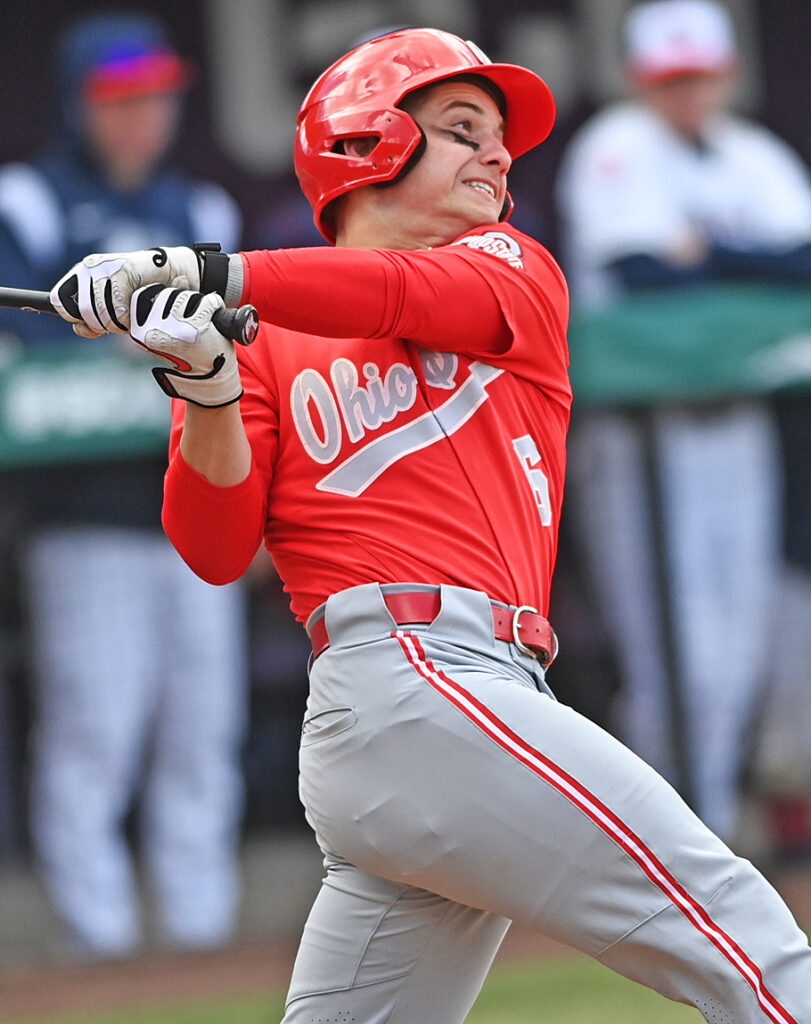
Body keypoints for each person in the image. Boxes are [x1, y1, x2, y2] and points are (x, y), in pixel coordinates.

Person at [50, 26, 811, 1022]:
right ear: (367, 145)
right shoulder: (263, 338)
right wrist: (204, 388)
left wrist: (209, 271)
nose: (497, 154)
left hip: (468, 694)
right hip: (405, 682)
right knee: (745, 940)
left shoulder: (509, 264)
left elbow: (397, 289)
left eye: (495, 136)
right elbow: (212, 545)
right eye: (461, 130)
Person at [0, 12, 248, 957]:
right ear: (80, 103)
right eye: (120, 98)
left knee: (201, 730)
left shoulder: (203, 212)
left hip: (195, 503)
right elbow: (26, 351)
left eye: (155, 95)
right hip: (86, 517)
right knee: (95, 731)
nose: (143, 115)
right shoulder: (30, 199)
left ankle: (201, 939)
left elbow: (239, 347)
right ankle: (94, 947)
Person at [555, 0, 811, 843]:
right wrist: (745, 274)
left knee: (737, 648)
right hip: (640, 438)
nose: (686, 94)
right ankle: (662, 843)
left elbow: (801, 261)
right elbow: (639, 275)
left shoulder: (753, 156)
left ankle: (697, 838)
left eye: (697, 77)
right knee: (673, 658)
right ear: (639, 79)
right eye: (670, 80)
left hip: (736, 424)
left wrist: (711, 255)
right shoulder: (614, 149)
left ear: (723, 72)